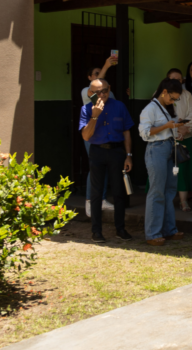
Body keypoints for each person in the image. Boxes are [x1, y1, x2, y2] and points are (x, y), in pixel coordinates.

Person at [78, 79, 135, 243]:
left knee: (119, 192)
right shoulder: (86, 109)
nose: (102, 95)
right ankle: (96, 231)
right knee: (96, 193)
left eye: (104, 91)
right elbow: (86, 136)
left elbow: (126, 132)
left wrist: (129, 155)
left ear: (109, 89)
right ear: (91, 93)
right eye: (98, 92)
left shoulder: (119, 106)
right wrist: (94, 117)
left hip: (117, 151)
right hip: (97, 151)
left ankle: (120, 228)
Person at [138, 79, 186, 246]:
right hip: (156, 149)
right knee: (157, 190)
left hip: (169, 147)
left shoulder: (166, 108)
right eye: (172, 98)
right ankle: (152, 233)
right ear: (164, 92)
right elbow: (144, 133)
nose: (173, 101)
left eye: (175, 99)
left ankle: (169, 230)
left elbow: (168, 128)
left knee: (169, 191)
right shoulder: (150, 109)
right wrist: (166, 126)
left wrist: (176, 131)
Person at [80, 58, 117, 217]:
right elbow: (96, 89)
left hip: (109, 134)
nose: (98, 76)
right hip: (93, 134)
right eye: (95, 74)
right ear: (89, 78)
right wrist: (107, 66)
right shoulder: (86, 91)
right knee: (94, 168)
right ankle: (89, 201)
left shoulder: (110, 93)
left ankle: (101, 199)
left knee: (106, 166)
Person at [167, 68, 192, 213]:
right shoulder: (160, 94)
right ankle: (162, 201)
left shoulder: (187, 95)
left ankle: (184, 201)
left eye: (179, 79)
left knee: (184, 170)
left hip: (185, 138)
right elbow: (160, 119)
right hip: (166, 139)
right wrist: (175, 131)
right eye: (173, 79)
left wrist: (186, 129)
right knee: (165, 170)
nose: (176, 82)